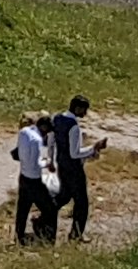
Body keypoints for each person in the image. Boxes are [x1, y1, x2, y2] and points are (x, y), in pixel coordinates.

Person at [50, 96, 103, 242]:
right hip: (73, 168)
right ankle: (76, 234)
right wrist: (93, 148)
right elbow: (75, 153)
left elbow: (52, 141)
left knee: (64, 196)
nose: (85, 113)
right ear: (78, 108)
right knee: (82, 203)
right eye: (84, 110)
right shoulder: (73, 126)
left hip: (61, 163)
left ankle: (44, 217)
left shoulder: (58, 118)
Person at [10, 114, 60, 245]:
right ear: (43, 128)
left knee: (23, 209)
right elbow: (36, 163)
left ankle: (19, 235)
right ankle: (49, 237)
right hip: (34, 180)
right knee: (51, 208)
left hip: (23, 177)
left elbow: (20, 154)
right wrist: (47, 162)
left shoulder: (24, 132)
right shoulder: (37, 140)